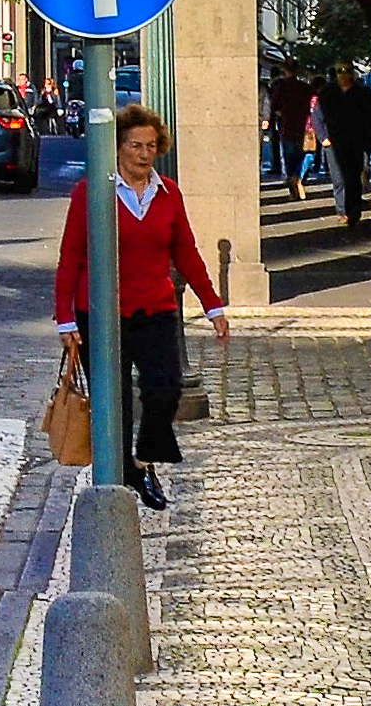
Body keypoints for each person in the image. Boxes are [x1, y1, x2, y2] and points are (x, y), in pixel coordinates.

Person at [53, 106, 230, 510]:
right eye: (135, 145)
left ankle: (142, 460)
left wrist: (213, 306)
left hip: (155, 307)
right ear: (117, 148)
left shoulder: (168, 193)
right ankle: (119, 483)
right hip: (100, 313)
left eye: (151, 146)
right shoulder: (92, 191)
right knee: (113, 401)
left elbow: (185, 252)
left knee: (165, 389)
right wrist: (65, 317)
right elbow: (71, 257)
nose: (144, 153)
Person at [318, 62, 371, 227]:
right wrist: (323, 136)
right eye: (339, 71)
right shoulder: (327, 93)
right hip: (334, 141)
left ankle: (353, 212)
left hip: (356, 140)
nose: (343, 74)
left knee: (353, 176)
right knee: (339, 177)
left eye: (347, 71)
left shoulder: (362, 93)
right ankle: (342, 211)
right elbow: (317, 116)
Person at [264, 65, 315, 200]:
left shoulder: (281, 87)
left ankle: (293, 180)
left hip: (287, 125)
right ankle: (298, 178)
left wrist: (279, 114)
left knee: (289, 157)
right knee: (302, 155)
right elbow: (313, 104)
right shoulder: (304, 87)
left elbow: (273, 105)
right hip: (303, 125)